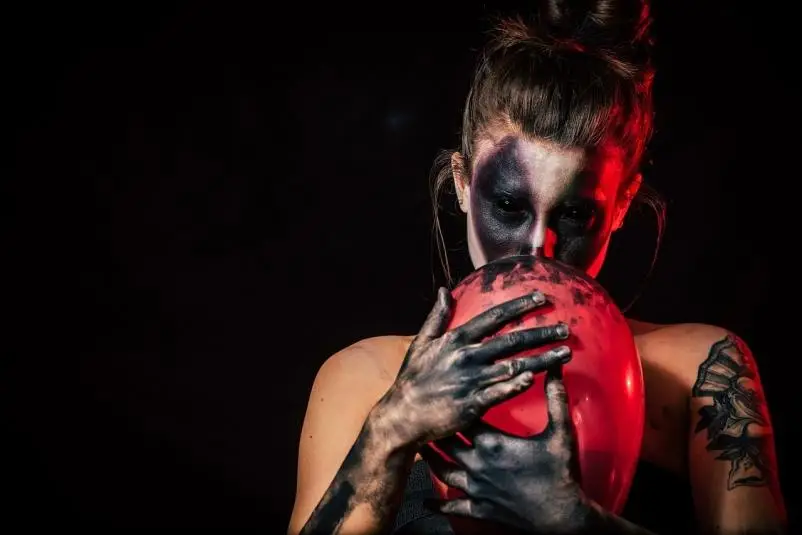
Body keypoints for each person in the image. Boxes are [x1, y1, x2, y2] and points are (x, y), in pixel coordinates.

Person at [287, 1, 788, 534]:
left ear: (621, 205)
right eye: (508, 206)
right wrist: (389, 432)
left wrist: (577, 524)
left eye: (574, 215)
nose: (536, 248)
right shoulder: (365, 379)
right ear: (463, 182)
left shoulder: (703, 371)